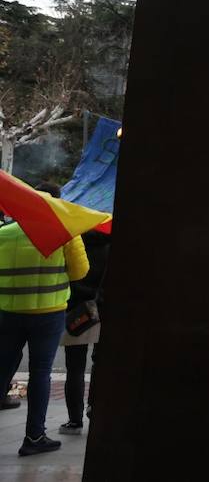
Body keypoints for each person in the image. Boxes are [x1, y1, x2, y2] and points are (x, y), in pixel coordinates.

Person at [0, 183, 89, 456]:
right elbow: (80, 273)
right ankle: (34, 437)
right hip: (48, 315)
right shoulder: (65, 235)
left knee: (2, 368)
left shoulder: (4, 234)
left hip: (8, 312)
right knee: (41, 372)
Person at [60, 229, 109, 435]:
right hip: (102, 310)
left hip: (76, 313)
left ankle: (74, 420)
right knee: (101, 365)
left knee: (75, 369)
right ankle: (94, 408)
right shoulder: (110, 249)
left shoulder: (74, 247)